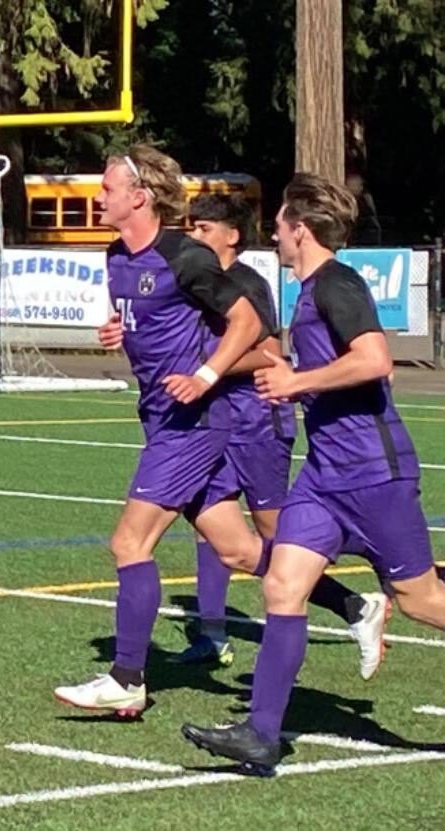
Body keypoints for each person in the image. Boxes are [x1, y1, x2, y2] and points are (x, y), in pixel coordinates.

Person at [182, 173, 445, 775]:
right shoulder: (307, 291)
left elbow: (377, 360)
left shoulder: (337, 283)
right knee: (281, 586)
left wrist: (298, 382)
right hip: (324, 476)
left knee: (422, 600)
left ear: (300, 229)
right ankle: (261, 736)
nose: (271, 231)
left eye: (277, 222)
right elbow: (357, 365)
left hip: (374, 475)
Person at [53, 145, 268, 718]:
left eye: (106, 189)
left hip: (192, 424)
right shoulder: (115, 254)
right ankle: (354, 603)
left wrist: (204, 374)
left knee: (129, 542)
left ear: (138, 197)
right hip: (161, 418)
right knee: (240, 549)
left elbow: (248, 322)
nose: (97, 198)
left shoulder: (187, 255)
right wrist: (120, 330)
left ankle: (127, 677)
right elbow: (149, 321)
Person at [170, 194, 386, 676]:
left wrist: (209, 369)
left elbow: (270, 356)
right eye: (191, 229)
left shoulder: (246, 284)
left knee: (277, 535)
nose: (194, 238)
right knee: (219, 535)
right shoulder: (196, 284)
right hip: (213, 425)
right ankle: (212, 632)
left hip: (257, 423)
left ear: (231, 235)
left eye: (204, 229)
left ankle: (376, 567)